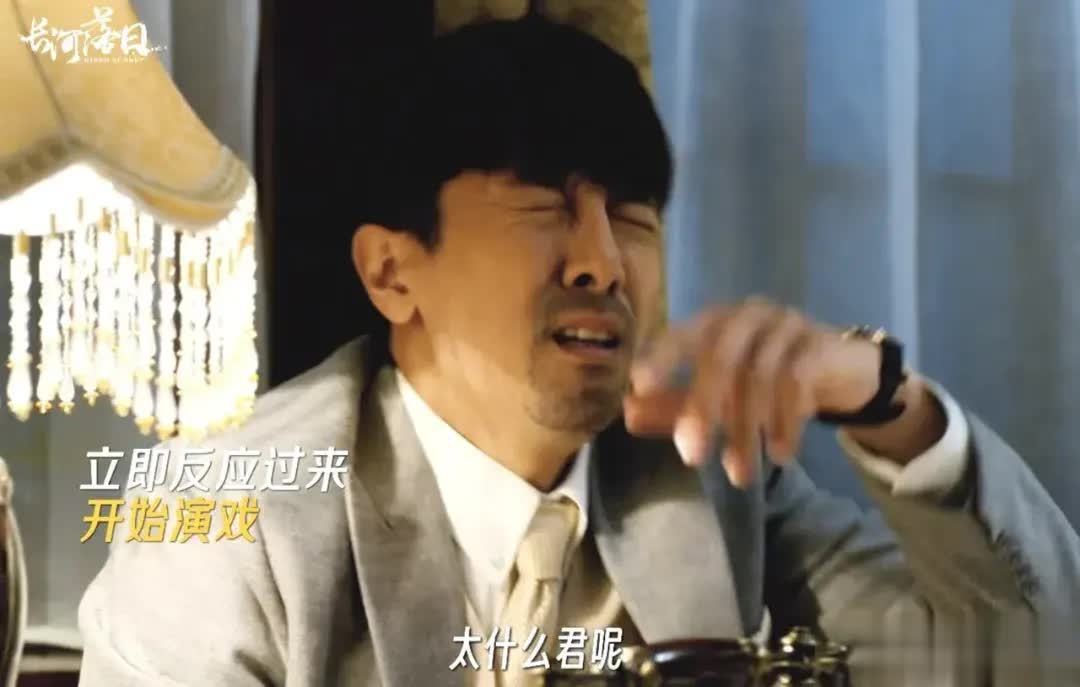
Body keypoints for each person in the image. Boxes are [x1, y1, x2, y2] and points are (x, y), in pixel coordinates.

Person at [77, 16, 1080, 687]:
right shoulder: (224, 520)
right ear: (392, 271)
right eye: (542, 206)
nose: (603, 262)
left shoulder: (713, 485)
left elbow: (1033, 654)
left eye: (632, 214)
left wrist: (888, 401)